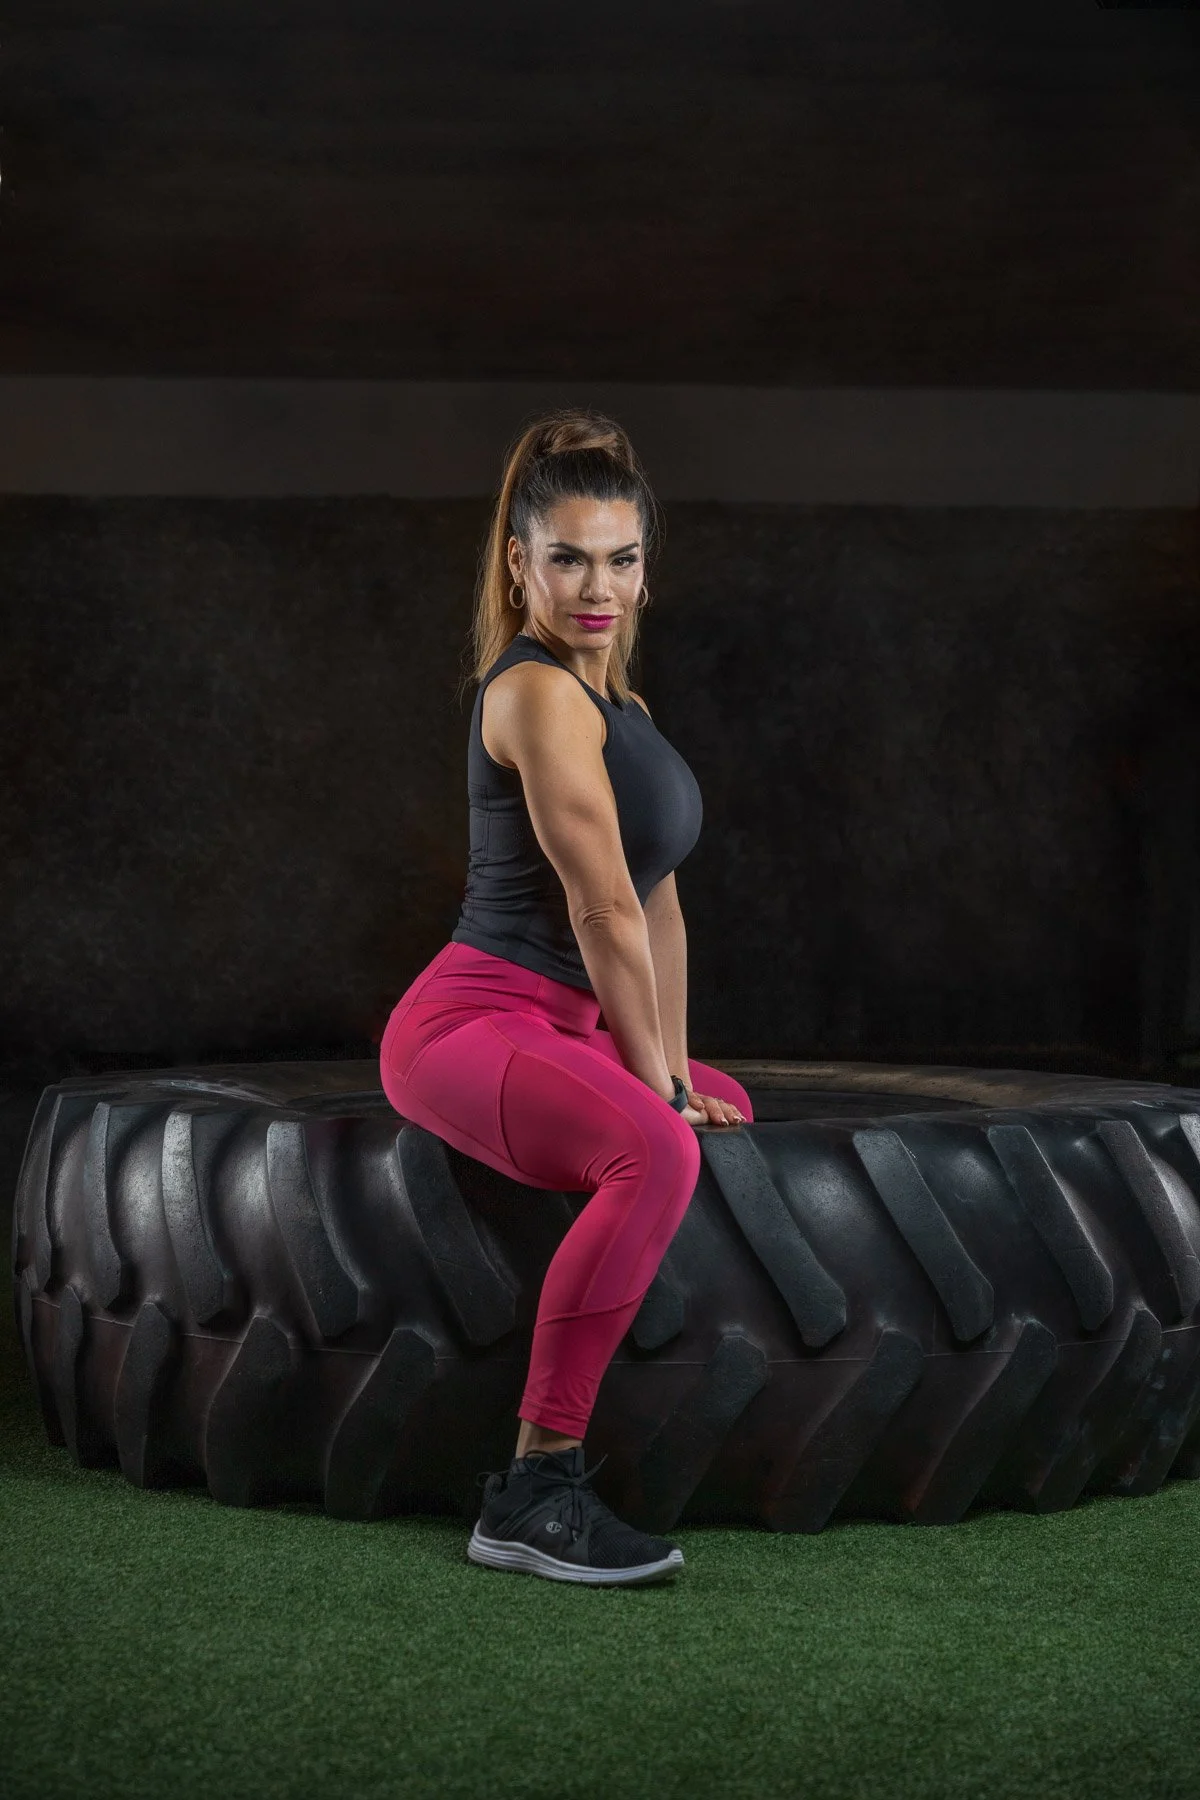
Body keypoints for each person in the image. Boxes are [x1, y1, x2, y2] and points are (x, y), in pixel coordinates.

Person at [379, 407, 755, 1587]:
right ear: (519, 564)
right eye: (569, 559)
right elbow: (600, 912)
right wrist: (657, 1097)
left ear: (646, 569)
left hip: (563, 1023)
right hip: (469, 1021)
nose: (598, 587)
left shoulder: (628, 716)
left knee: (716, 1105)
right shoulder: (533, 694)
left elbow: (661, 912)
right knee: (659, 1146)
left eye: (620, 559)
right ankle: (535, 1488)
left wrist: (675, 1071)